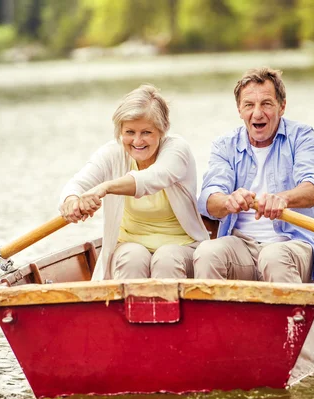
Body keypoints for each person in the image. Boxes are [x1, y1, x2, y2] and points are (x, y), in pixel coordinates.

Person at [193, 67, 314, 283]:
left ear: (282, 106)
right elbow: (209, 199)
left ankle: (292, 316)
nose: (257, 113)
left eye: (266, 104)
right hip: (241, 247)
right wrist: (228, 201)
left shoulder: (301, 136)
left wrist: (283, 198)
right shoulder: (224, 145)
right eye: (249, 105)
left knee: (273, 256)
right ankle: (214, 317)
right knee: (206, 253)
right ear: (239, 110)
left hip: (291, 245)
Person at [59, 84, 209, 281]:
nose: (137, 141)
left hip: (183, 247)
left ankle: (168, 313)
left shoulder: (177, 150)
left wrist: (105, 188)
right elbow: (77, 184)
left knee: (165, 259)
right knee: (132, 259)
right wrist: (71, 201)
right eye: (130, 132)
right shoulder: (112, 153)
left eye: (146, 132)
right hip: (129, 246)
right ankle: (133, 312)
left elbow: (151, 179)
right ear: (120, 130)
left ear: (162, 130)